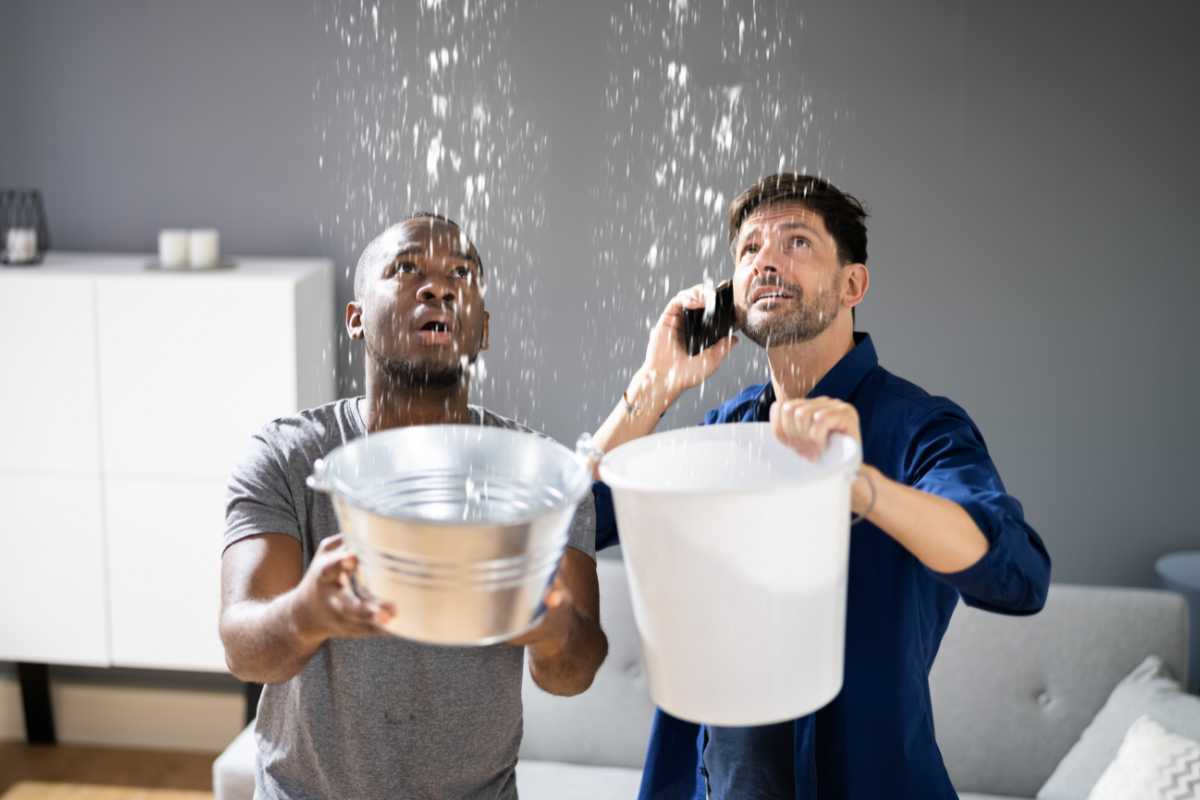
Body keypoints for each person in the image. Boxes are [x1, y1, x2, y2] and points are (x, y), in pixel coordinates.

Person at [591, 173, 1051, 799]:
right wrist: (656, 382)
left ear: (852, 284)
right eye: (749, 249)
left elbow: (1017, 575)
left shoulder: (920, 427)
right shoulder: (726, 429)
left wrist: (859, 486)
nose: (767, 261)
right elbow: (584, 521)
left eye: (797, 242)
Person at [219, 213, 608, 800]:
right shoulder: (289, 455)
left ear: (483, 330)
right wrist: (307, 612)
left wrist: (549, 626)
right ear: (355, 320)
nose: (440, 286)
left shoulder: (539, 474)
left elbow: (571, 674)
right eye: (405, 269)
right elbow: (242, 648)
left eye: (462, 274)